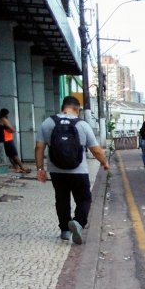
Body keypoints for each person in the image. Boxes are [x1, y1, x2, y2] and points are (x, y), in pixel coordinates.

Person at [35, 96, 110, 244]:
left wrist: (40, 168)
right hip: (79, 171)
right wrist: (104, 162)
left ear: (63, 107)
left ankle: (64, 230)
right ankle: (78, 222)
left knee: (62, 199)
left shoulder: (48, 123)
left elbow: (39, 147)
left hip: (56, 171)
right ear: (77, 109)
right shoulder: (82, 124)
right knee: (84, 199)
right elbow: (95, 150)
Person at [0, 109, 30, 173]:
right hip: (8, 139)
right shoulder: (4, 119)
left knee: (10, 155)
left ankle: (17, 168)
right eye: (8, 114)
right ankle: (22, 168)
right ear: (6, 114)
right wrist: (12, 129)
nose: (8, 115)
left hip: (5, 140)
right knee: (14, 154)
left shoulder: (0, 119)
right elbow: (12, 129)